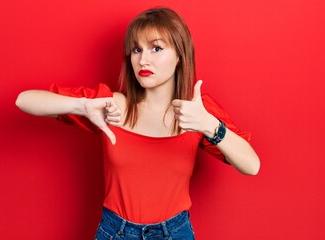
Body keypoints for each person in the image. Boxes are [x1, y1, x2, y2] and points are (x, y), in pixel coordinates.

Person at [16, 7, 260, 240]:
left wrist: (209, 124)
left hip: (174, 232)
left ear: (179, 56)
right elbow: (24, 100)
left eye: (156, 48)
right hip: (116, 231)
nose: (143, 60)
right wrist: (80, 106)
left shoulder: (195, 111)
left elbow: (251, 165)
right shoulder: (112, 106)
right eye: (136, 50)